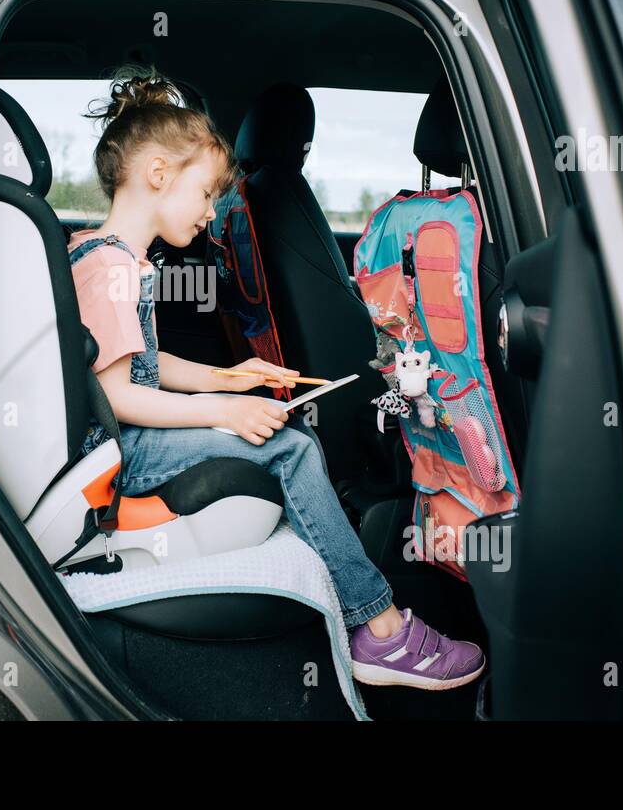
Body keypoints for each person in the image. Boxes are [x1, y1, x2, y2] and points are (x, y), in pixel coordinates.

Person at [66, 67, 484, 690]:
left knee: (285, 436)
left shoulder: (110, 255)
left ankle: (372, 617)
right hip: (121, 452)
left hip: (125, 438)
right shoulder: (111, 267)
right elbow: (119, 396)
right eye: (206, 194)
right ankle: (380, 628)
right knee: (291, 449)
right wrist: (223, 413)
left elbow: (143, 365)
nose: (212, 214)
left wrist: (231, 378)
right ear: (158, 176)